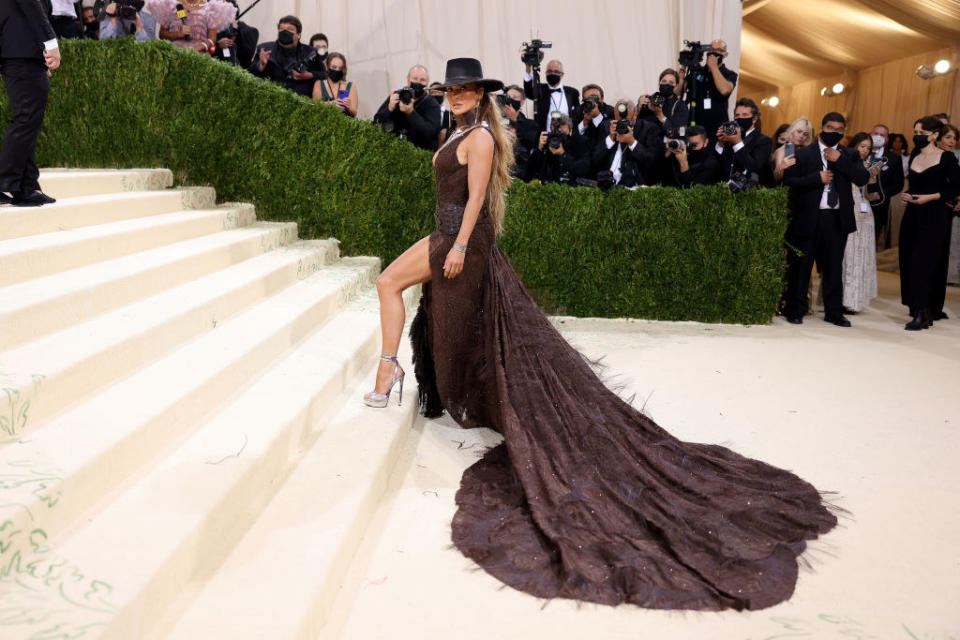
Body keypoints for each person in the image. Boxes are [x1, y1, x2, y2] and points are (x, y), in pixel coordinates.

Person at [365, 55, 837, 611]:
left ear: (482, 94)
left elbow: (475, 200)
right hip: (442, 232)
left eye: (467, 90)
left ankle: (390, 367)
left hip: (458, 239)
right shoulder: (457, 129)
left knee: (393, 285)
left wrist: (464, 245)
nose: (458, 95)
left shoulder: (483, 138)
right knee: (407, 293)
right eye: (453, 89)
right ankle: (403, 368)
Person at [782, 112, 870, 326]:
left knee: (833, 268)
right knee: (802, 267)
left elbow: (861, 178)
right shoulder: (803, 154)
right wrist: (816, 179)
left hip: (837, 218)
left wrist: (839, 160)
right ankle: (796, 309)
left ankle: (833, 312)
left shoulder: (849, 154)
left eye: (840, 130)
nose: (835, 133)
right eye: (831, 128)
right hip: (809, 217)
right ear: (822, 129)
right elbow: (789, 182)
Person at [898, 116, 960, 330]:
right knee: (907, 261)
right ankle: (921, 311)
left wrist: (931, 196)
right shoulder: (915, 154)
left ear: (934, 135)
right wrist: (908, 195)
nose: (917, 137)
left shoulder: (947, 158)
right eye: (915, 132)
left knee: (921, 264)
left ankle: (922, 311)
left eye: (922, 134)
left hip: (934, 217)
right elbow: (915, 185)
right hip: (912, 216)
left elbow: (955, 188)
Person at [0, 0, 62, 207]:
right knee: (26, 117)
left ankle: (26, 187)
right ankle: (5, 182)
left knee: (29, 119)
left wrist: (39, 55)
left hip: (24, 51)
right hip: (19, 50)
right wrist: (50, 43)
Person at [840, 133, 879, 313]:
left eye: (868, 148)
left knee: (861, 255)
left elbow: (872, 196)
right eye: (862, 146)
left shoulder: (869, 166)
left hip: (865, 214)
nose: (864, 150)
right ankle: (841, 298)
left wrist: (872, 178)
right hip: (849, 211)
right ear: (854, 146)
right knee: (847, 256)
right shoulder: (846, 163)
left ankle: (854, 300)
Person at [247, 15, 325, 98]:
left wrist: (311, 75)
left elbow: (325, 75)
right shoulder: (265, 49)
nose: (284, 32)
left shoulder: (310, 52)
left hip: (302, 102)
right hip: (271, 100)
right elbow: (249, 74)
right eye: (281, 29)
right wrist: (260, 66)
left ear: (299, 35)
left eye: (289, 29)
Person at [591, 99, 662, 188]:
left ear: (635, 114)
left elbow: (654, 162)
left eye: (626, 120)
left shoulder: (649, 128)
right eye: (618, 119)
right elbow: (595, 159)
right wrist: (610, 139)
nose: (622, 123)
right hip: (607, 183)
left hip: (636, 185)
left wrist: (632, 142)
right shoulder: (606, 126)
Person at [928, 123, 960, 316]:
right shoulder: (931, 156)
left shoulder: (952, 158)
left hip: (946, 211)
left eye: (954, 138)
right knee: (930, 258)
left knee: (942, 260)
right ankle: (924, 305)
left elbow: (956, 185)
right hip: (930, 210)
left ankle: (935, 307)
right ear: (938, 138)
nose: (952, 141)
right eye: (948, 137)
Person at [373, 65, 441, 151]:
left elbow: (429, 134)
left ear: (427, 83)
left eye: (422, 80)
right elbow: (376, 121)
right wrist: (389, 108)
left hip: (420, 155)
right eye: (415, 78)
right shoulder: (397, 95)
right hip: (393, 151)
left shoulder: (432, 104)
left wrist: (411, 113)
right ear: (408, 79)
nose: (418, 82)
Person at [679, 39, 737, 139]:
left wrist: (714, 68)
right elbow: (679, 91)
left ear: (725, 54)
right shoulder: (697, 71)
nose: (712, 53)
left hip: (716, 129)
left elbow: (724, 90)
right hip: (695, 126)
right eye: (710, 49)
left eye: (717, 50)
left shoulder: (729, 74)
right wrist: (684, 66)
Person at [714, 97, 773, 187]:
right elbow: (716, 164)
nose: (740, 118)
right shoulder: (729, 137)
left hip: (749, 193)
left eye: (745, 115)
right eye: (737, 115)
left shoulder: (764, 141)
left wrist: (737, 143)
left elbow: (754, 167)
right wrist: (720, 144)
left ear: (754, 119)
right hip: (724, 190)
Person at [866, 124, 905, 249]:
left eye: (882, 135)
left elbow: (898, 184)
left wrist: (881, 194)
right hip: (857, 202)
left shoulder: (894, 158)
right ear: (870, 135)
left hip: (879, 205)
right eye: (875, 133)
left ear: (887, 139)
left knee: (872, 237)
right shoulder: (860, 152)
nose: (878, 137)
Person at [149, 0, 235, 54]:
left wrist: (196, 49)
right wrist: (178, 34)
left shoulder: (210, 8)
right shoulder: (171, 4)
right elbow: (162, 34)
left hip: (199, 59)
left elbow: (212, 38)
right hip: (173, 56)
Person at [526, 113, 590, 185]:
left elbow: (584, 169)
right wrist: (539, 148)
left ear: (570, 130)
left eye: (561, 134)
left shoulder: (581, 142)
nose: (558, 138)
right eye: (555, 133)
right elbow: (529, 172)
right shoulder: (548, 142)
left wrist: (563, 154)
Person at [522, 58, 579, 133]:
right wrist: (528, 68)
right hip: (546, 136)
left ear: (562, 75)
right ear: (545, 73)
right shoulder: (540, 89)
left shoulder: (572, 92)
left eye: (556, 71)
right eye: (549, 71)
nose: (552, 74)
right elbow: (528, 90)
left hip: (567, 136)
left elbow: (577, 114)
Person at [638, 68, 689, 135]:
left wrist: (661, 116)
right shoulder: (650, 100)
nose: (667, 84)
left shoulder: (680, 106)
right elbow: (637, 125)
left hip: (665, 144)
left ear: (676, 86)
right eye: (664, 81)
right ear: (659, 83)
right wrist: (639, 107)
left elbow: (679, 133)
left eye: (671, 82)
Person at [313, 52, 357, 117]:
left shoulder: (350, 85)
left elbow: (354, 113)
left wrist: (348, 107)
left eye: (340, 68)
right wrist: (331, 104)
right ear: (327, 67)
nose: (337, 70)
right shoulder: (319, 84)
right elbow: (315, 106)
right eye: (334, 67)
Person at [771, 117, 813, 184]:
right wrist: (780, 167)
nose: (801, 136)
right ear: (792, 131)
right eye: (799, 131)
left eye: (805, 134)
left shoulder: (802, 150)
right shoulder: (783, 150)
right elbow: (776, 178)